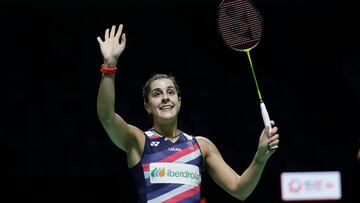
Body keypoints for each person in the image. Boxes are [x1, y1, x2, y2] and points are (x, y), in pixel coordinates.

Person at [96, 24, 280, 203]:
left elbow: (239, 189)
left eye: (170, 92)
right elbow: (107, 117)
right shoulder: (139, 141)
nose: (165, 98)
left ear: (179, 101)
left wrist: (260, 157)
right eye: (157, 94)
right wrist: (109, 67)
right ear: (147, 106)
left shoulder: (201, 146)